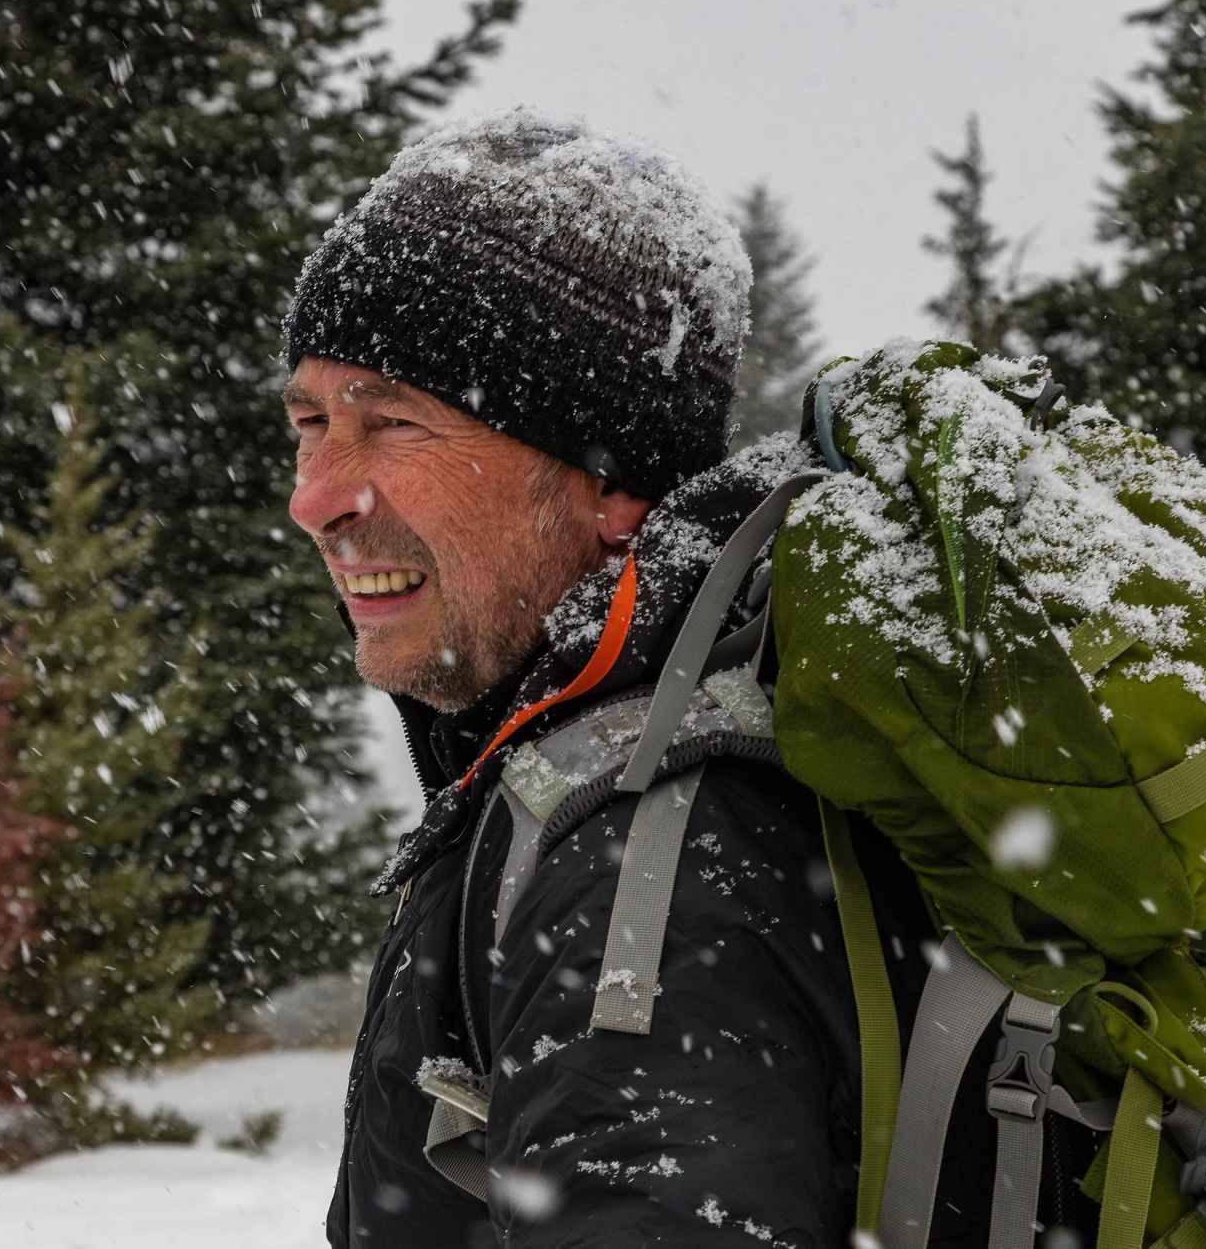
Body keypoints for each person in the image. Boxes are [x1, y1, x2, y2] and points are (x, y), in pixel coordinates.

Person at [277, 110, 1053, 1247]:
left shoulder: (646, 849)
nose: (315, 497)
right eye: (307, 421)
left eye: (393, 424)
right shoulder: (636, 767)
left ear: (613, 483)